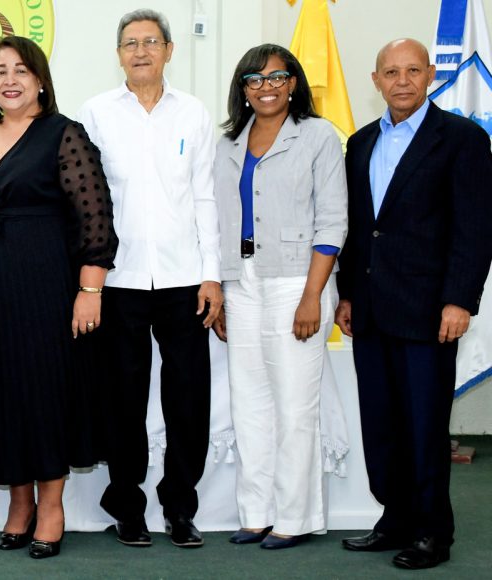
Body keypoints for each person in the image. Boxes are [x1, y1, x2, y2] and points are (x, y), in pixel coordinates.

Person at [0, 36, 117, 560]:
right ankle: (18, 505)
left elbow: (95, 219)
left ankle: (51, 509)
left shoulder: (64, 134)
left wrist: (90, 290)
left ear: (40, 80)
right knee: (0, 393)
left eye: (21, 70)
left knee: (45, 394)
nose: (10, 80)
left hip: (48, 288)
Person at [336, 38, 492, 570]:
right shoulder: (360, 143)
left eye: (412, 71)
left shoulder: (462, 139)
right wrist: (347, 293)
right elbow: (359, 229)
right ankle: (395, 519)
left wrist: (459, 301)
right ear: (375, 80)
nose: (401, 81)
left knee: (424, 427)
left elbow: (475, 228)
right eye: (391, 72)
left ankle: (432, 532)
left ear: (429, 75)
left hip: (429, 312)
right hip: (370, 310)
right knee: (381, 424)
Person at [76, 8, 221, 549]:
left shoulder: (194, 113)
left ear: (169, 50)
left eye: (151, 42)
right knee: (122, 401)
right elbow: (85, 204)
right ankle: (127, 507)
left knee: (188, 400)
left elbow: (206, 198)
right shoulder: (95, 114)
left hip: (185, 281)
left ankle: (180, 507)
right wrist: (87, 282)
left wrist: (212, 276)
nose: (141, 51)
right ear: (118, 55)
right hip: (119, 281)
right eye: (131, 43)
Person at [210, 44, 347, 550]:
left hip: (297, 281)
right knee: (249, 404)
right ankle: (256, 514)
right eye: (254, 79)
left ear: (293, 83)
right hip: (240, 281)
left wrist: (313, 295)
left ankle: (295, 516)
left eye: (276, 77)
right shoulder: (227, 143)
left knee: (294, 407)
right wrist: (222, 288)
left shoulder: (318, 136)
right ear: (242, 89)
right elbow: (216, 218)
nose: (265, 87)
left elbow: (333, 221)